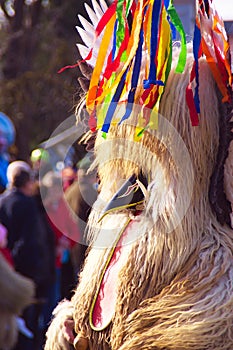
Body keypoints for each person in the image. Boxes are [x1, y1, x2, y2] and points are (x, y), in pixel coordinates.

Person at [0, 161, 52, 350]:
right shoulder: (28, 205)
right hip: (25, 276)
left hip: (6, 271)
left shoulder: (2, 201)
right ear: (26, 182)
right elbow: (32, 242)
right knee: (28, 328)